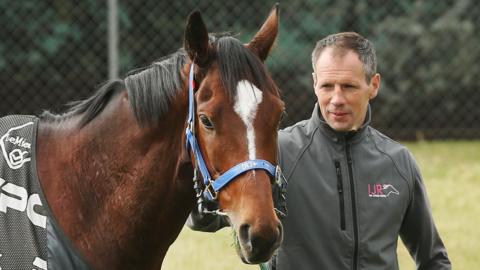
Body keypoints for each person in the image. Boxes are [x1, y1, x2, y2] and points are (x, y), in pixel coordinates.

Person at [187, 32, 451, 270]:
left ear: (373, 86)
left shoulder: (398, 163)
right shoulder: (279, 153)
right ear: (314, 84)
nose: (336, 99)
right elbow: (205, 217)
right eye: (327, 86)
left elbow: (434, 260)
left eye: (348, 86)